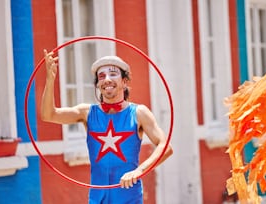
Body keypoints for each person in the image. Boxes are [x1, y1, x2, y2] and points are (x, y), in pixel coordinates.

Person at [41, 49, 173, 204]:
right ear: (98, 85)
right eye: (101, 76)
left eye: (113, 74)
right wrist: (50, 80)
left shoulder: (139, 113)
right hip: (98, 198)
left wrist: (139, 170)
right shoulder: (87, 112)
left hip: (129, 197)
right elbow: (48, 115)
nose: (107, 79)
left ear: (124, 81)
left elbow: (166, 147)